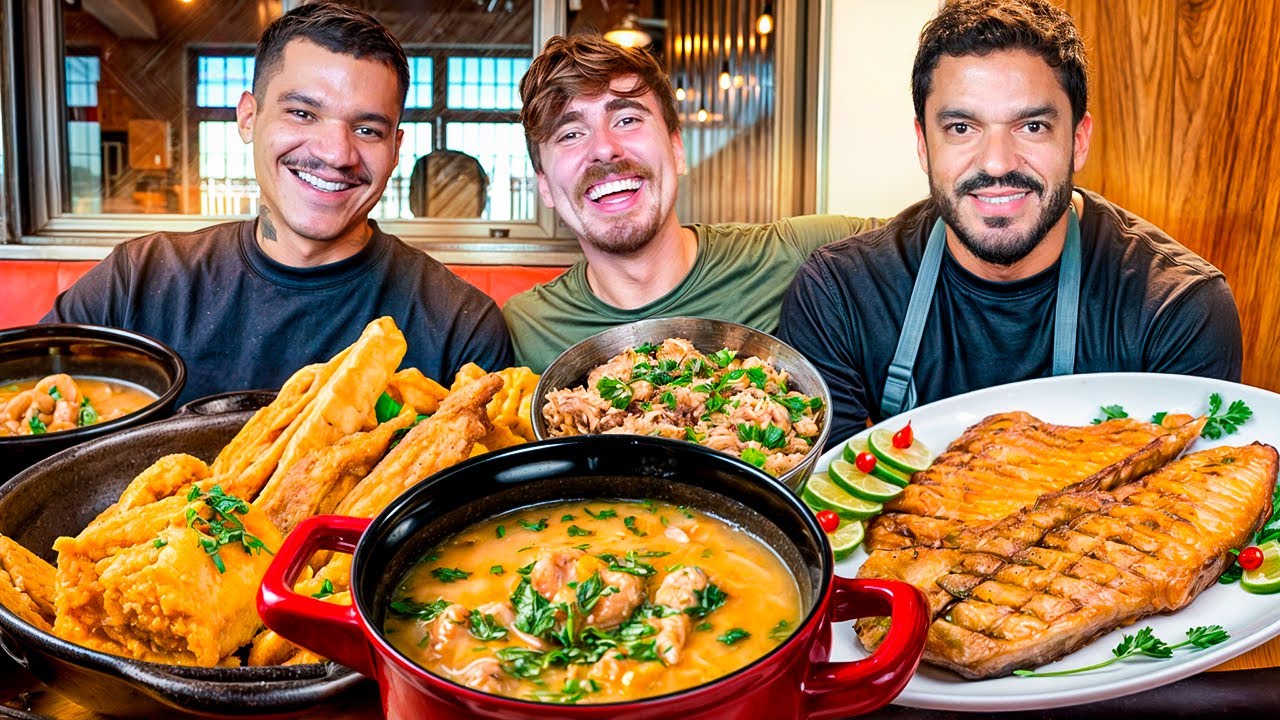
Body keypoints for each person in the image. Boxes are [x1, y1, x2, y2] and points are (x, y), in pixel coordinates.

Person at [778, 0, 1242, 444]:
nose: (997, 163)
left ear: (1079, 140)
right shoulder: (839, 294)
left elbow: (1186, 511)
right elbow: (823, 506)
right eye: (962, 128)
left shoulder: (1178, 309)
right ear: (923, 144)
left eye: (1032, 126)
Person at [43, 2, 512, 405]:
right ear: (248, 117)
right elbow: (30, 423)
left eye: (367, 129)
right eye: (302, 113)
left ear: (395, 148)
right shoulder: (137, 282)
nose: (335, 153)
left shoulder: (459, 328)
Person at [502, 34, 880, 373]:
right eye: (570, 134)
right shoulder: (524, 329)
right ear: (546, 187)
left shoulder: (794, 253)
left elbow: (929, 237)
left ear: (677, 149)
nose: (603, 148)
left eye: (628, 119)